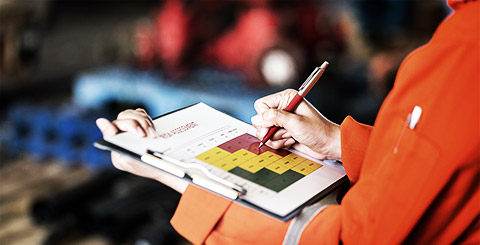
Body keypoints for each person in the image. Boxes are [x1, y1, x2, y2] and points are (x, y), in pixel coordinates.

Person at [96, 0, 479, 244]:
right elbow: (446, 165)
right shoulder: (462, 37)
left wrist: (175, 173)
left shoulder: (461, 57)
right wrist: (337, 142)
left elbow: (349, 239)